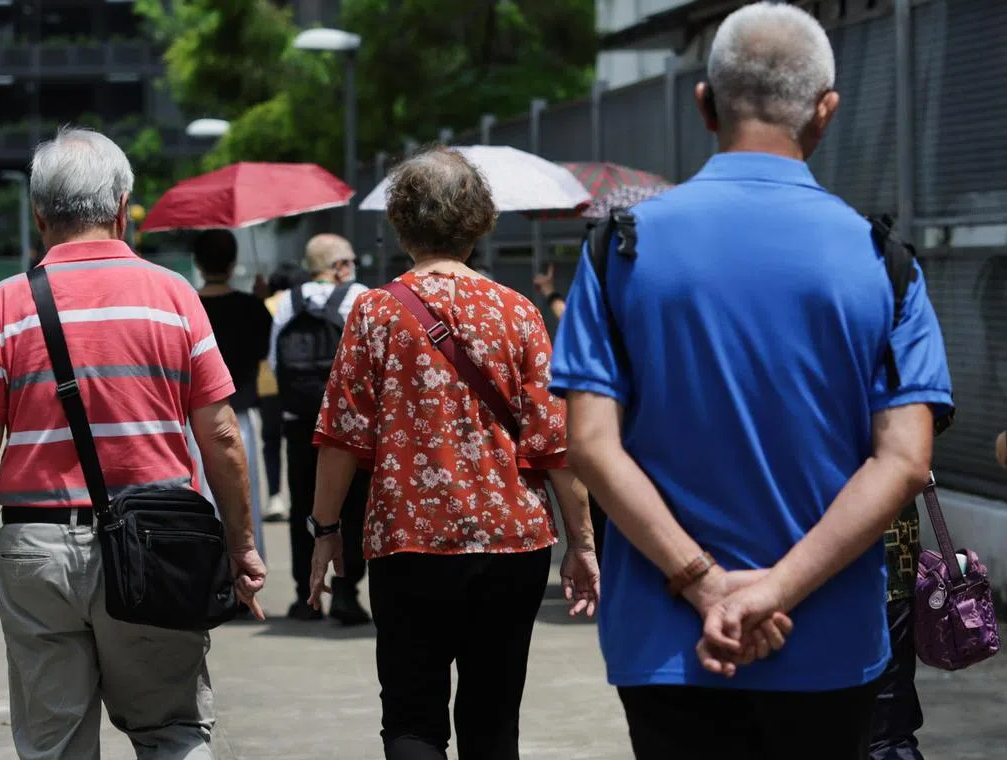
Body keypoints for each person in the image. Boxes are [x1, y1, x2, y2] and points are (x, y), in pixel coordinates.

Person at [549, 4, 953, 758]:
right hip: (828, 642)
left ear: (704, 103)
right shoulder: (883, 262)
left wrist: (704, 585)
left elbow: (591, 446)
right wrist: (776, 591)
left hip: (668, 645)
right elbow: (904, 461)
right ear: (826, 112)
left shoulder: (619, 251)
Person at [0, 127, 266, 759]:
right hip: (159, 546)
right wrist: (241, 542)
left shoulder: (7, 305)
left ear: (40, 216)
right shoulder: (174, 295)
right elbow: (222, 432)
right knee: (171, 729)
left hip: (37, 550)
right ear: (123, 208)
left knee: (55, 743)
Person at [307, 147, 599, 760]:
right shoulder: (518, 312)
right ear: (480, 221)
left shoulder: (375, 312)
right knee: (494, 722)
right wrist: (583, 544)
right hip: (511, 542)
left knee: (413, 720)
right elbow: (555, 444)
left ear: (402, 222)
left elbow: (340, 438)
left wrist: (326, 528)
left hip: (408, 538)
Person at [269, 233, 373, 624]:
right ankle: (347, 593)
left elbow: (276, 362)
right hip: (348, 430)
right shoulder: (357, 296)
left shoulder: (286, 303)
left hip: (299, 422)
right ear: (341, 266)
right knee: (352, 506)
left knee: (303, 508)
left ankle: (304, 597)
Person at [190, 228, 273, 560]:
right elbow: (265, 351)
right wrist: (261, 301)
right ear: (233, 261)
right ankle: (244, 567)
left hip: (190, 419)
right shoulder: (251, 307)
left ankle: (202, 573)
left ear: (197, 261)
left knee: (198, 500)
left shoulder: (187, 304)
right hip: (238, 415)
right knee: (241, 499)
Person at [530, 262, 608, 567]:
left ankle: (602, 566)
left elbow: (567, 317)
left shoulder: (592, 324)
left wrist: (549, 292)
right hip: (632, 440)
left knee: (607, 508)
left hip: (602, 437)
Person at [258, 262, 309, 522]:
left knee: (271, 440)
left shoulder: (266, 306)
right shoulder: (301, 303)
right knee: (299, 440)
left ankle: (275, 496)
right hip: (300, 381)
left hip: (268, 382)